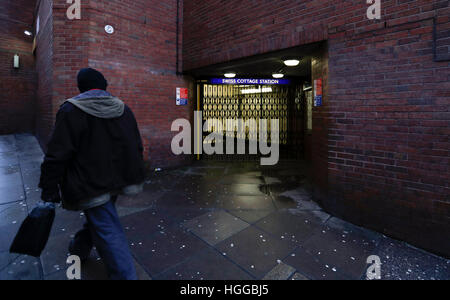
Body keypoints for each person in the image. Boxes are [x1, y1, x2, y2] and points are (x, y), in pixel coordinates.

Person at [39, 68, 146, 280]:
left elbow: (57, 153)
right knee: (100, 217)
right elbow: (136, 145)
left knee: (107, 229)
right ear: (103, 85)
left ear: (81, 86)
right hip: (118, 179)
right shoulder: (124, 109)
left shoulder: (70, 110)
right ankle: (79, 247)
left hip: (88, 183)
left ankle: (126, 276)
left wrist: (49, 187)